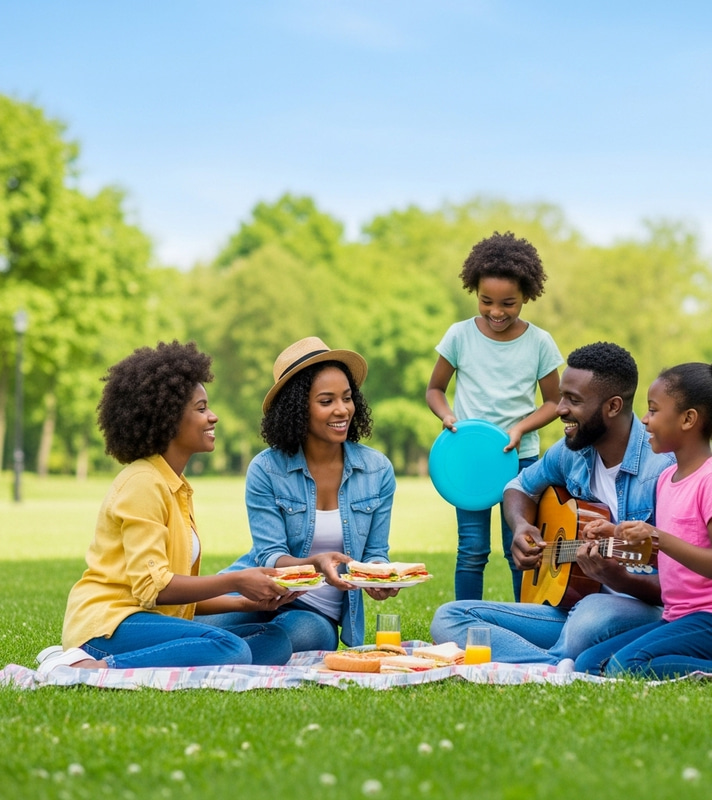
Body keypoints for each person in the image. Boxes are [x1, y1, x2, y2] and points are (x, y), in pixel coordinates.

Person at [36, 341, 293, 675]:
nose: (212, 416)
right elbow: (154, 587)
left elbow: (174, 596)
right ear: (170, 419)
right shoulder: (143, 482)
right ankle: (89, 666)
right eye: (201, 408)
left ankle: (184, 656)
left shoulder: (175, 485)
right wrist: (237, 581)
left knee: (274, 639)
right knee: (230, 648)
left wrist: (248, 603)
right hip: (109, 625)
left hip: (149, 620)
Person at [430, 341, 674, 665]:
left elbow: (679, 588)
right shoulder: (571, 451)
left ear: (613, 406)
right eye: (561, 397)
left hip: (640, 612)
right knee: (450, 617)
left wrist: (619, 578)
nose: (559, 409)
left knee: (588, 620)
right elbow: (519, 485)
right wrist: (520, 526)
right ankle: (555, 662)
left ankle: (545, 662)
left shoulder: (662, 468)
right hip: (570, 607)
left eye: (573, 400)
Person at [574, 350, 712, 679]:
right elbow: (670, 558)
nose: (644, 419)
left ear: (688, 419)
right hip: (680, 616)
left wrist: (657, 536)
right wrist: (616, 535)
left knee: (625, 667)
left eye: (653, 410)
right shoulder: (667, 478)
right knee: (587, 664)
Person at [197, 337, 397, 653]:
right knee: (191, 627)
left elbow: (375, 552)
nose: (342, 410)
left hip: (314, 612)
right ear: (298, 408)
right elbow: (270, 556)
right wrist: (314, 563)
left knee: (292, 639)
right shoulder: (267, 469)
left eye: (347, 398)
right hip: (255, 592)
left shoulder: (376, 470)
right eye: (327, 401)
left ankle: (227, 648)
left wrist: (379, 576)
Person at [426, 231, 564, 602]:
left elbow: (555, 401)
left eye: (509, 303)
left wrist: (521, 427)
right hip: (470, 458)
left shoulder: (539, 342)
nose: (497, 312)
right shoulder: (459, 336)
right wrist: (447, 416)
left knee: (520, 549)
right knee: (471, 550)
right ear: (474, 291)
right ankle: (463, 621)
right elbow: (434, 390)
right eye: (486, 301)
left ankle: (525, 621)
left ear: (527, 296)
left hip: (520, 460)